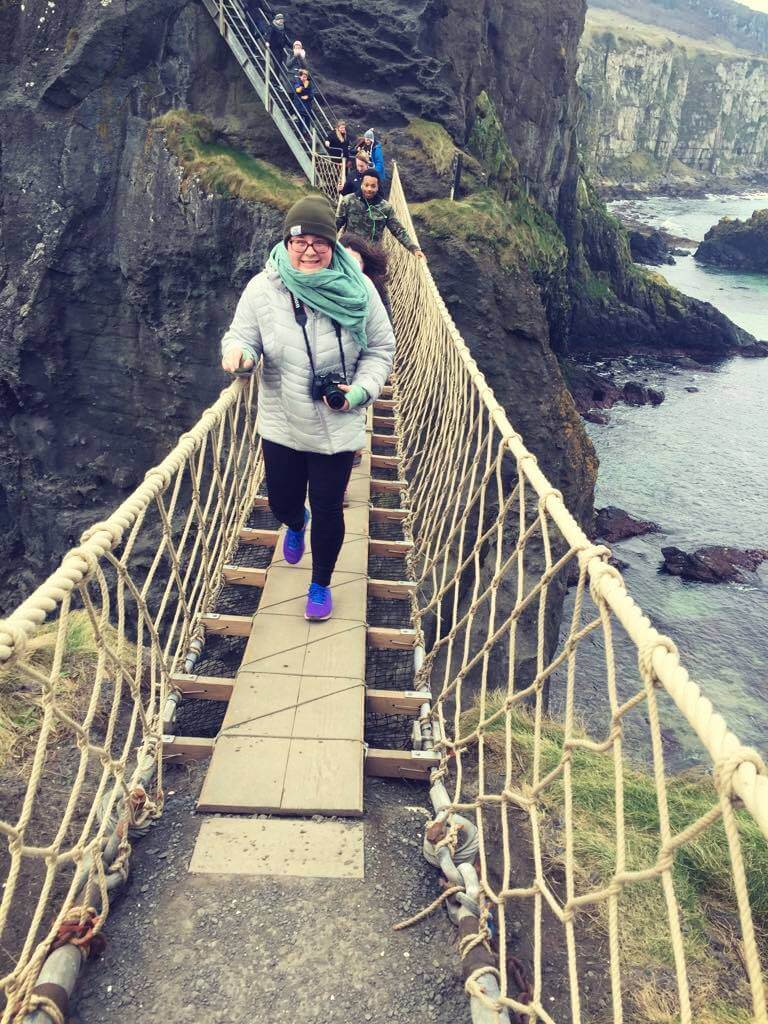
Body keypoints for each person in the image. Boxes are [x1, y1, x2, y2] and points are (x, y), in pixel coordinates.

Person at [220, 196, 395, 621]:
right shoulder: (264, 288)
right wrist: (239, 356)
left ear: (333, 244)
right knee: (281, 502)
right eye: (301, 241)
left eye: (320, 241)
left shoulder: (360, 288)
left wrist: (358, 393)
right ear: (287, 242)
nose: (310, 249)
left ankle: (320, 585)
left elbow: (380, 349)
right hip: (282, 421)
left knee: (330, 506)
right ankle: (296, 523)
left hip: (338, 422)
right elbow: (240, 336)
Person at [336, 169, 425, 259]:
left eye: (373, 186)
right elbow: (337, 223)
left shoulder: (385, 208)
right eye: (366, 185)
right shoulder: (348, 201)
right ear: (361, 184)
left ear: (378, 187)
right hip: (349, 251)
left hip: (370, 254)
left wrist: (414, 248)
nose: (369, 189)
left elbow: (398, 230)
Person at [340, 233, 391, 318]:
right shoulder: (325, 288)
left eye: (355, 263)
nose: (349, 269)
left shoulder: (376, 288)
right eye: (343, 263)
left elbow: (383, 326)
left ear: (364, 264)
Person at [292, 69, 313, 135]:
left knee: (307, 118)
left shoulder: (309, 84)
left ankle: (307, 133)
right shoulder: (297, 82)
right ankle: (301, 134)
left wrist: (308, 97)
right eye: (303, 77)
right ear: (300, 76)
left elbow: (312, 94)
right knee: (300, 119)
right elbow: (297, 90)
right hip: (299, 104)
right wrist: (302, 88)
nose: (304, 78)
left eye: (305, 77)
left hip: (307, 104)